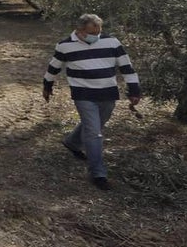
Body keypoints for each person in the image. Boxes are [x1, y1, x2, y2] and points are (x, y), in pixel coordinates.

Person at [42, 13, 141, 190]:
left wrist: (134, 90)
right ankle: (98, 174)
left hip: (108, 94)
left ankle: (72, 142)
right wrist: (47, 85)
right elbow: (53, 67)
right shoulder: (65, 46)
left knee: (93, 125)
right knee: (94, 132)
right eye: (91, 32)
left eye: (99, 31)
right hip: (83, 94)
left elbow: (127, 67)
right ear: (79, 31)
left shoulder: (112, 42)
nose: (96, 36)